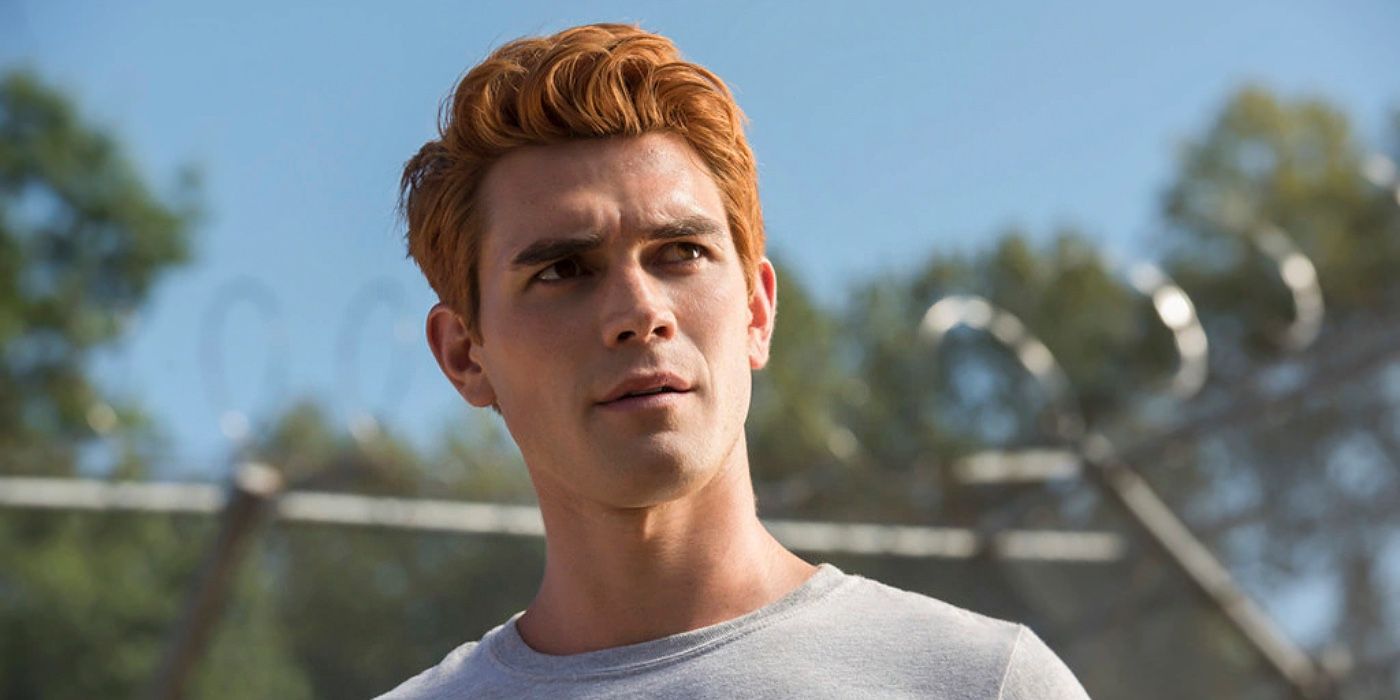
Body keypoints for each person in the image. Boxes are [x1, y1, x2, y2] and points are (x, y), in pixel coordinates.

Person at [382, 23, 1090, 699]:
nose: (639, 312)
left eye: (681, 253)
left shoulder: (983, 683)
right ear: (464, 355)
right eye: (563, 270)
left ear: (756, 311)